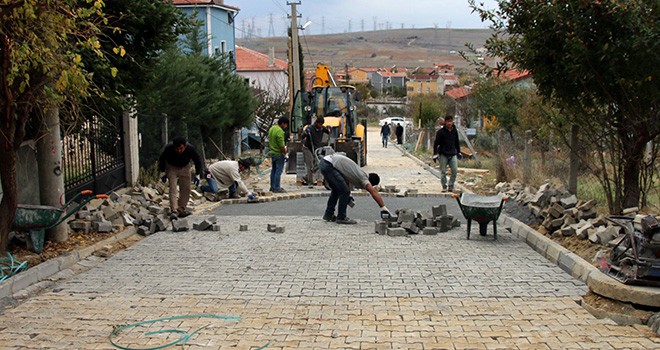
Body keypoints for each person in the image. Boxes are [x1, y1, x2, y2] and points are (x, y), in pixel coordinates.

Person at [319, 153, 391, 224]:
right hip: (329, 165)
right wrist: (383, 207)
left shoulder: (358, 173)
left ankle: (328, 214)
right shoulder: (363, 178)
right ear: (371, 183)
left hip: (325, 162)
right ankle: (341, 217)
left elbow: (344, 179)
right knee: (345, 192)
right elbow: (373, 191)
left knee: (336, 191)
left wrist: (348, 197)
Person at [158, 136, 203, 218]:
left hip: (185, 167)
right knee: (173, 188)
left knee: (186, 189)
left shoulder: (190, 149)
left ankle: (181, 209)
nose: (179, 150)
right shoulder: (169, 148)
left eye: (181, 148)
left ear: (185, 146)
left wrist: (197, 174)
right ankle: (174, 211)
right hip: (171, 167)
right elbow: (162, 159)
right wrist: (163, 172)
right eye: (177, 149)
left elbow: (197, 160)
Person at [433, 115, 461, 192]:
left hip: (452, 154)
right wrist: (435, 154)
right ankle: (444, 186)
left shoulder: (454, 131)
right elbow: (436, 144)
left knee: (454, 171)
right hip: (443, 154)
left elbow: (457, 142)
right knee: (443, 171)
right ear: (445, 122)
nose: (449, 123)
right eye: (448, 121)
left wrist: (459, 152)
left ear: (452, 122)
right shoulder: (440, 132)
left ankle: (451, 185)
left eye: (450, 121)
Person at [301, 116, 330, 185]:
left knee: (317, 164)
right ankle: (310, 182)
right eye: (319, 124)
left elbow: (328, 132)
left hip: (316, 149)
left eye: (322, 124)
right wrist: (306, 133)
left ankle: (306, 177)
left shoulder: (322, 128)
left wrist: (329, 129)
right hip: (307, 148)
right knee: (310, 165)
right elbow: (302, 136)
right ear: (316, 122)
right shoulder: (310, 128)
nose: (320, 126)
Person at [268, 116, 289, 193]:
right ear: (283, 123)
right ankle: (277, 187)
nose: (286, 126)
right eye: (286, 124)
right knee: (278, 171)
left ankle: (272, 187)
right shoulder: (280, 131)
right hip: (279, 153)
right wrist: (285, 153)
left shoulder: (272, 129)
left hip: (272, 152)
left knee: (273, 170)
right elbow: (281, 145)